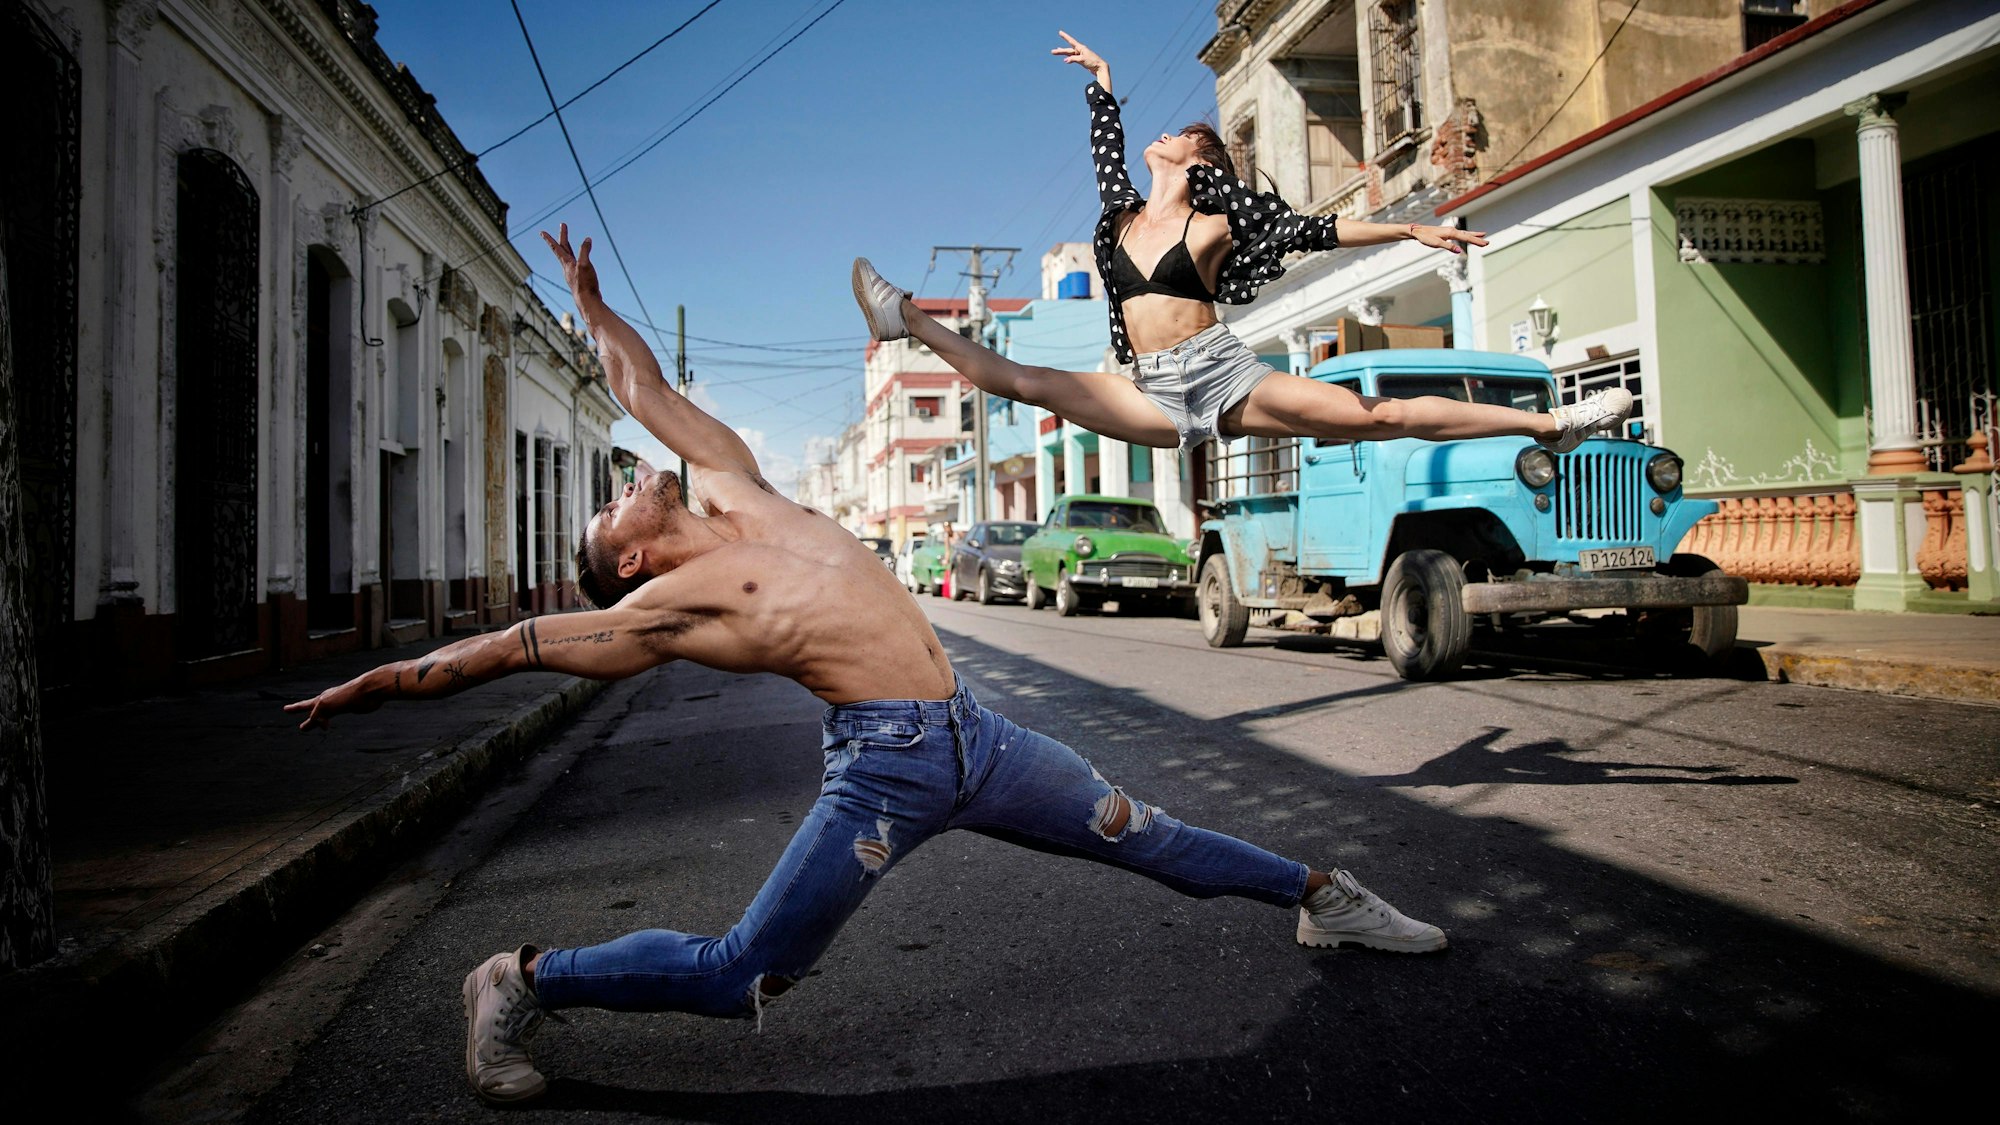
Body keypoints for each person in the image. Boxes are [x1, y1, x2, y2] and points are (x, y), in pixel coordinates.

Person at [287, 226, 1449, 1106]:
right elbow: (509, 649)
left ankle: (1320, 897)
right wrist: (371, 683)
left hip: (976, 738)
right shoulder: (664, 609)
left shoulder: (734, 484)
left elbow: (637, 389)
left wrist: (590, 305)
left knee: (1139, 833)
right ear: (629, 558)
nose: (623, 481)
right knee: (747, 968)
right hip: (883, 776)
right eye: (608, 509)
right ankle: (522, 980)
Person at [851, 30, 1631, 455]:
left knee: (1373, 417)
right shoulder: (1121, 217)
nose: (1165, 134)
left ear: (1199, 163)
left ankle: (1550, 426)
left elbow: (1315, 229)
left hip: (1222, 376)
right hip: (1148, 385)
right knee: (1023, 381)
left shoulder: (1217, 222)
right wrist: (1102, 78)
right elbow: (1105, 150)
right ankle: (907, 320)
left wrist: (1409, 226)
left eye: (1183, 135)